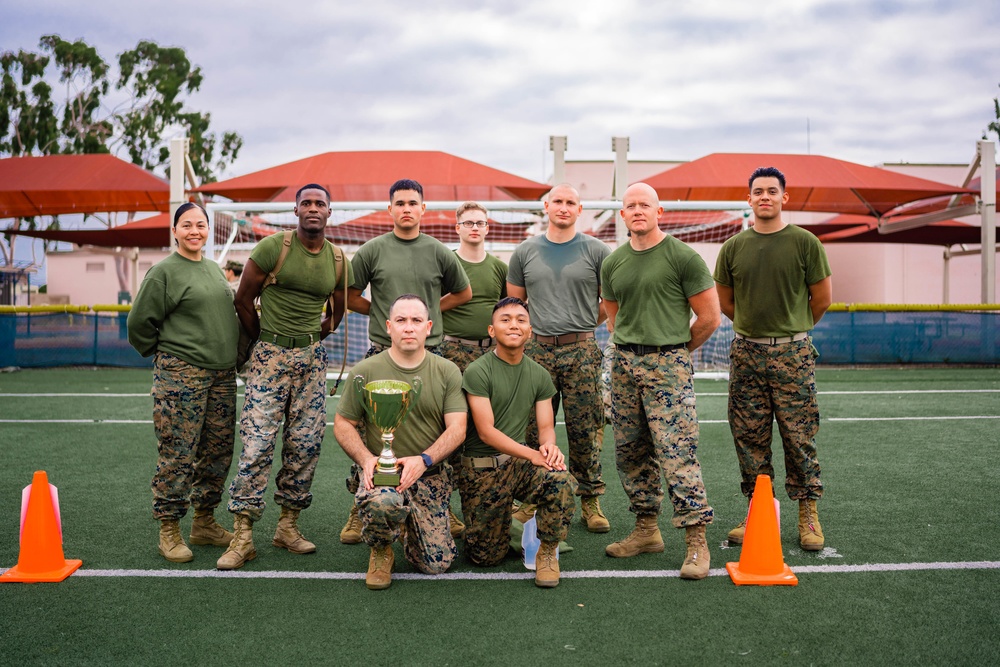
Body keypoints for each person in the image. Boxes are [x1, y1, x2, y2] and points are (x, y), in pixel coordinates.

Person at [217, 183, 352, 570]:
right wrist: (267, 341)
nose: (313, 208)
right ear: (295, 210)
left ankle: (288, 527)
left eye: (320, 203)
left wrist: (310, 338)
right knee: (257, 445)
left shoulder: (340, 260)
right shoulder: (273, 248)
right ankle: (243, 535)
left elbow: (337, 312)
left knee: (306, 445)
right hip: (269, 357)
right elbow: (242, 299)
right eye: (306, 202)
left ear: (330, 212)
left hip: (312, 360)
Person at [339, 178, 471, 545]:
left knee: (437, 431)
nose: (407, 209)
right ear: (390, 209)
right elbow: (349, 295)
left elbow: (463, 292)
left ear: (423, 209)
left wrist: (425, 317)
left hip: (432, 354)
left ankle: (442, 507)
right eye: (400, 203)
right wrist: (386, 315)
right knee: (374, 431)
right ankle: (361, 503)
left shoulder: (439, 251)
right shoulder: (371, 250)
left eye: (413, 203)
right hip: (382, 352)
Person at [600, 182, 719, 580]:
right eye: (630, 205)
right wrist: (629, 350)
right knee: (630, 452)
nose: (637, 211)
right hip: (624, 366)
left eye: (644, 205)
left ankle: (696, 542)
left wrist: (675, 352)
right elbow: (614, 316)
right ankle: (647, 531)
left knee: (677, 454)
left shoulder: (683, 257)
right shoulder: (613, 262)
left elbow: (709, 318)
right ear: (622, 215)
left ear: (659, 211)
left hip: (667, 365)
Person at [713, 166, 833, 551]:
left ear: (785, 197)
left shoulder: (805, 242)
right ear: (748, 199)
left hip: (793, 355)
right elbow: (727, 302)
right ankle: (758, 513)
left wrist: (790, 332)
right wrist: (756, 331)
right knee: (750, 438)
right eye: (758, 191)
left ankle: (808, 514)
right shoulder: (733, 247)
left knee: (799, 436)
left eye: (772, 191)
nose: (764, 196)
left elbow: (823, 299)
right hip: (748, 353)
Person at [127, 202, 239, 563]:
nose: (195, 231)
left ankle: (204, 522)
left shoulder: (212, 268)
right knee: (178, 453)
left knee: (217, 451)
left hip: (222, 376)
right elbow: (139, 324)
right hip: (182, 375)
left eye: (201, 225)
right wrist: (167, 355)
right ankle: (169, 528)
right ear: (174, 231)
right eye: (187, 225)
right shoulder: (164, 272)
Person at [334, 295, 467, 590]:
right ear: (389, 327)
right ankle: (381, 550)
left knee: (436, 565)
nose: (409, 328)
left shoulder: (447, 371)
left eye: (417, 321)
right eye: (402, 321)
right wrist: (367, 459)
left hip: (427, 475)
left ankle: (410, 526)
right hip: (383, 476)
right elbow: (343, 424)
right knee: (384, 502)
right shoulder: (364, 371)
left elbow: (458, 428)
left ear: (429, 327)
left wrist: (425, 460)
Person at [506, 183, 611, 533]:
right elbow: (516, 308)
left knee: (586, 427)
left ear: (580, 210)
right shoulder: (525, 251)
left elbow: (609, 305)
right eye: (557, 202)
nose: (563, 208)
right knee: (534, 428)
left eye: (571, 202)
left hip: (581, 349)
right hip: (536, 350)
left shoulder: (597, 250)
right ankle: (533, 496)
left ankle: (590, 499)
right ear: (546, 207)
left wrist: (581, 326)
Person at [457, 297, 576, 588]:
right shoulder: (477, 371)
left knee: (559, 478)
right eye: (505, 319)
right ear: (491, 330)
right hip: (481, 470)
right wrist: (532, 454)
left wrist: (548, 448)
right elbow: (486, 432)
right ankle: (510, 525)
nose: (514, 324)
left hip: (516, 465)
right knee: (486, 557)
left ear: (530, 331)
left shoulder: (539, 374)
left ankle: (547, 552)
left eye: (521, 320)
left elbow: (546, 427)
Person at [439, 201, 508, 373]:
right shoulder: (446, 264)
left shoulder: (500, 267)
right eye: (468, 223)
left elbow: (506, 308)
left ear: (487, 228)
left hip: (492, 352)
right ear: (457, 228)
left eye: (480, 223)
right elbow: (433, 305)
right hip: (452, 351)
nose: (475, 228)